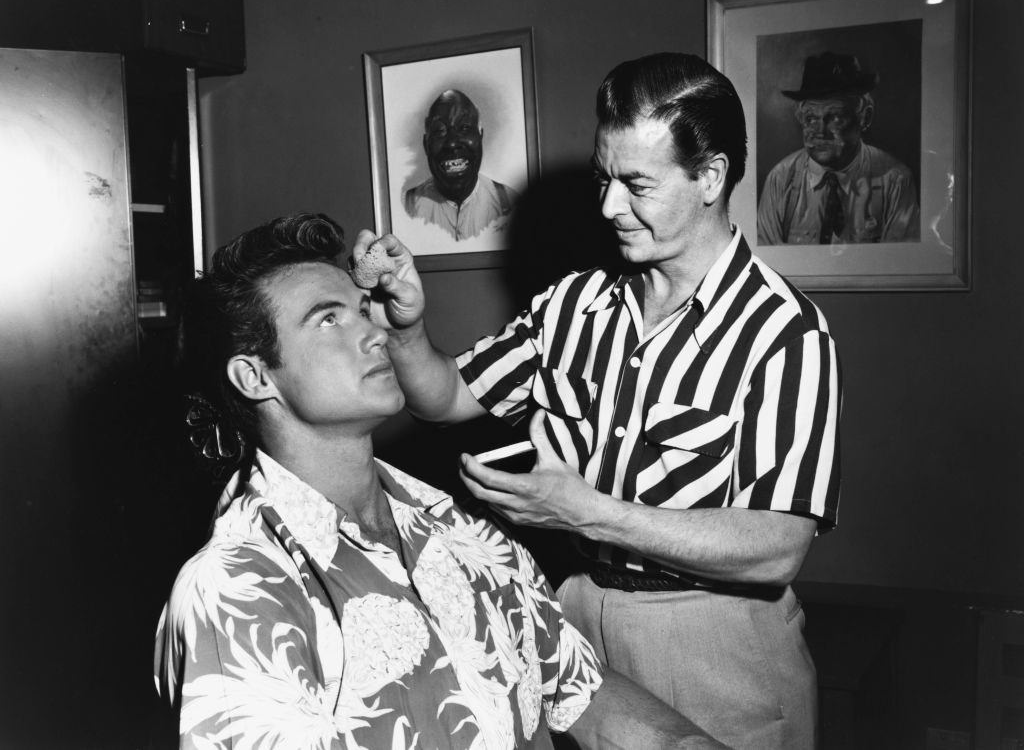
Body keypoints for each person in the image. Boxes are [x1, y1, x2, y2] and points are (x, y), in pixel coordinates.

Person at [362, 52, 842, 749]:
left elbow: (776, 547)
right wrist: (407, 327)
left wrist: (595, 514)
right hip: (577, 617)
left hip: (717, 644)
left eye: (636, 184)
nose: (609, 206)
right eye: (603, 179)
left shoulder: (785, 332)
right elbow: (445, 398)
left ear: (710, 177)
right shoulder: (572, 304)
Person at [153, 212, 725, 749]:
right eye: (329, 319)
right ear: (254, 376)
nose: (374, 332)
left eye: (363, 309)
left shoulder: (466, 530)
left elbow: (584, 694)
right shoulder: (236, 590)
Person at [757, 50, 919, 245]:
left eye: (835, 117)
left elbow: (899, 266)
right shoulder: (781, 179)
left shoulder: (895, 181)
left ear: (865, 118)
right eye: (811, 118)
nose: (819, 131)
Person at [404, 89, 519, 240]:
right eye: (439, 131)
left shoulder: (509, 202)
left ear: (480, 136)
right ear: (426, 144)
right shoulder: (409, 205)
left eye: (464, 128)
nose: (452, 143)